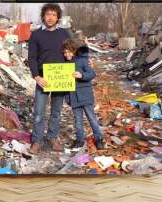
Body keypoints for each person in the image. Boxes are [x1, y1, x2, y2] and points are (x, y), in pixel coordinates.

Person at [28, 3, 71, 154]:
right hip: (43, 78)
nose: (50, 17)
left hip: (60, 78)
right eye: (48, 14)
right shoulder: (36, 35)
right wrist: (36, 76)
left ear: (58, 17)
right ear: (43, 16)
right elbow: (32, 57)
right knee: (39, 112)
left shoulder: (65, 34)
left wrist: (70, 60)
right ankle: (37, 140)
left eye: (53, 14)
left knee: (56, 111)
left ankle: (52, 136)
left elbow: (70, 53)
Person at [62, 38, 105, 150]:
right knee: (78, 121)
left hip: (85, 95)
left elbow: (92, 73)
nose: (66, 54)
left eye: (69, 52)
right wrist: (67, 98)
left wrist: (81, 76)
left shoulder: (81, 61)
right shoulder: (64, 65)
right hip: (73, 98)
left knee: (91, 118)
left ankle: (99, 139)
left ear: (74, 51)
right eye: (65, 52)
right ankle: (80, 140)